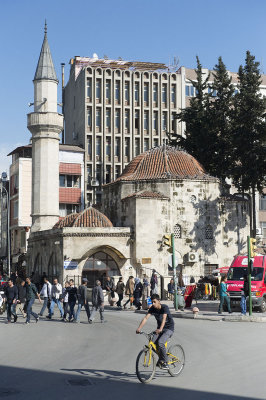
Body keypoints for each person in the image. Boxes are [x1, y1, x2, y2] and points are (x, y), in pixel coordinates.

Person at [136, 294, 175, 370]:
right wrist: (139, 328)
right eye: (152, 302)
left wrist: (160, 329)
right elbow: (145, 318)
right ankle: (162, 358)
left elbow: (164, 318)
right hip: (159, 329)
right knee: (152, 344)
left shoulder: (164, 307)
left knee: (160, 343)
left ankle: (165, 362)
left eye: (154, 302)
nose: (153, 304)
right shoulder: (152, 309)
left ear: (159, 301)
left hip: (169, 328)